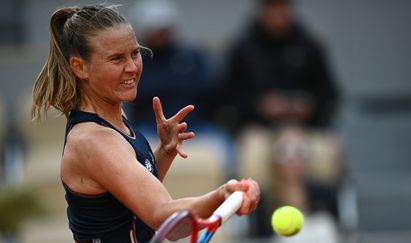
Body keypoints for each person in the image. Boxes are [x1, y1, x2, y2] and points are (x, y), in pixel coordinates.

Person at [31, 5, 260, 243]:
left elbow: (135, 207)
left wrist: (165, 151)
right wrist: (222, 195)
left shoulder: (115, 123)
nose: (132, 67)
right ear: (80, 67)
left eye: (134, 53)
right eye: (116, 58)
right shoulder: (93, 140)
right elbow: (163, 219)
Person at [218, 0, 341, 237]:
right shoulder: (242, 49)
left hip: (305, 129)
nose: (278, 14)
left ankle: (296, 226)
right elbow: (227, 100)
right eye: (272, 8)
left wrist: (308, 107)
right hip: (258, 129)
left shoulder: (310, 46)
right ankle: (296, 224)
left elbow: (330, 96)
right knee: (284, 149)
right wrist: (260, 107)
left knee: (290, 147)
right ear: (261, 11)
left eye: (283, 8)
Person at [127, 0, 218, 134]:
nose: (160, 34)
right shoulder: (135, 61)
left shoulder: (193, 58)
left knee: (224, 146)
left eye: (164, 28)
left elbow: (211, 90)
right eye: (154, 29)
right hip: (149, 127)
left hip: (197, 125)